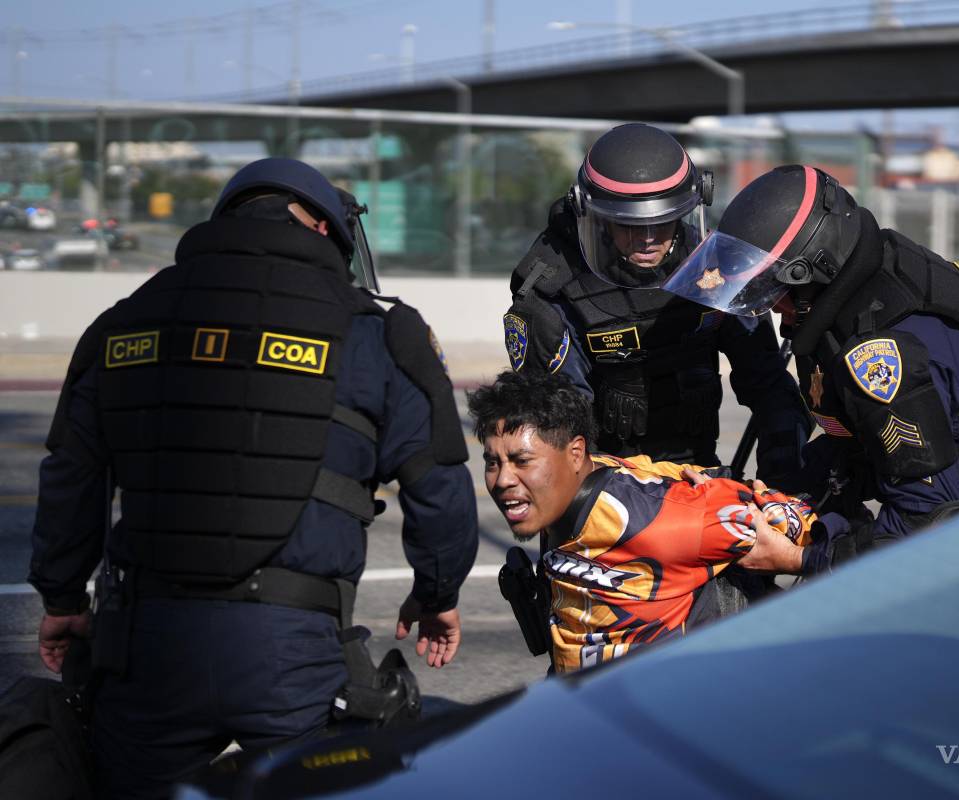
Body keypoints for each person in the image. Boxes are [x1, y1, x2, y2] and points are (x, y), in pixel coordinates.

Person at [28, 158, 479, 797]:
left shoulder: (123, 320)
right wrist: (438, 593)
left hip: (149, 648)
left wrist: (63, 599)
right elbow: (438, 485)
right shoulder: (379, 331)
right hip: (292, 650)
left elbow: (71, 477)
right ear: (324, 228)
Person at [662, 165, 959, 567]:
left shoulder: (878, 352)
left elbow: (927, 521)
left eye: (770, 290)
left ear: (811, 274)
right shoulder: (867, 281)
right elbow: (859, 443)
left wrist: (801, 558)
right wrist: (776, 497)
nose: (769, 308)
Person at [503, 123, 808, 487]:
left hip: (697, 473)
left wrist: (783, 481)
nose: (647, 239)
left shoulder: (716, 268)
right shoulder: (552, 292)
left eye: (662, 223)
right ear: (595, 216)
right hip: (599, 480)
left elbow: (769, 385)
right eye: (629, 225)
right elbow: (560, 426)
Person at [468, 370, 818, 674]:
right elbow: (654, 470)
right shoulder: (560, 490)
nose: (502, 480)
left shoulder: (660, 519)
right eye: (493, 463)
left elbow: (802, 523)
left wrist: (774, 523)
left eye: (521, 461)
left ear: (575, 454)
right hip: (579, 706)